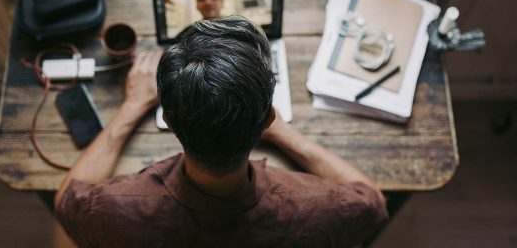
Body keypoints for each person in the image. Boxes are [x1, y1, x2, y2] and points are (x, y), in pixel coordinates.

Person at [55, 16, 388, 247]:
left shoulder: (113, 210)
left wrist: (131, 107)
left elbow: (66, 202)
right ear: (268, 119)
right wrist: (284, 133)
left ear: (169, 122)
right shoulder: (320, 209)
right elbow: (373, 204)